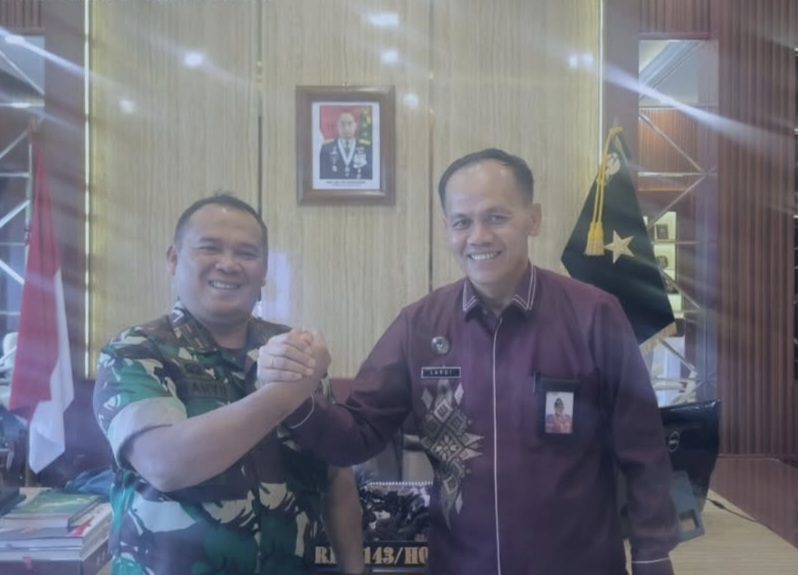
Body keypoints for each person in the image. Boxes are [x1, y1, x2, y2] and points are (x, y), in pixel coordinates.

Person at [260, 149, 680, 575]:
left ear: (533, 219)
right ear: (447, 229)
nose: (478, 237)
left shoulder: (594, 314)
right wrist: (294, 394)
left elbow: (643, 448)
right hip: (460, 564)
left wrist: (652, 555)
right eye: (462, 222)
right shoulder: (419, 326)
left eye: (496, 217)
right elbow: (357, 436)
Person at [93, 194, 365, 575]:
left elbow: (337, 477)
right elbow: (165, 464)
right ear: (173, 259)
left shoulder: (292, 350)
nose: (229, 264)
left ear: (264, 271)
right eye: (210, 248)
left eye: (246, 253)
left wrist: (355, 570)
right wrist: (287, 394)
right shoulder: (136, 350)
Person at [319, 111, 372, 180]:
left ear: (355, 125)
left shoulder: (366, 147)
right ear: (337, 126)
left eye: (350, 124)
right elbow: (323, 175)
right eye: (342, 124)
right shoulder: (327, 147)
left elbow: (369, 174)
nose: (346, 128)